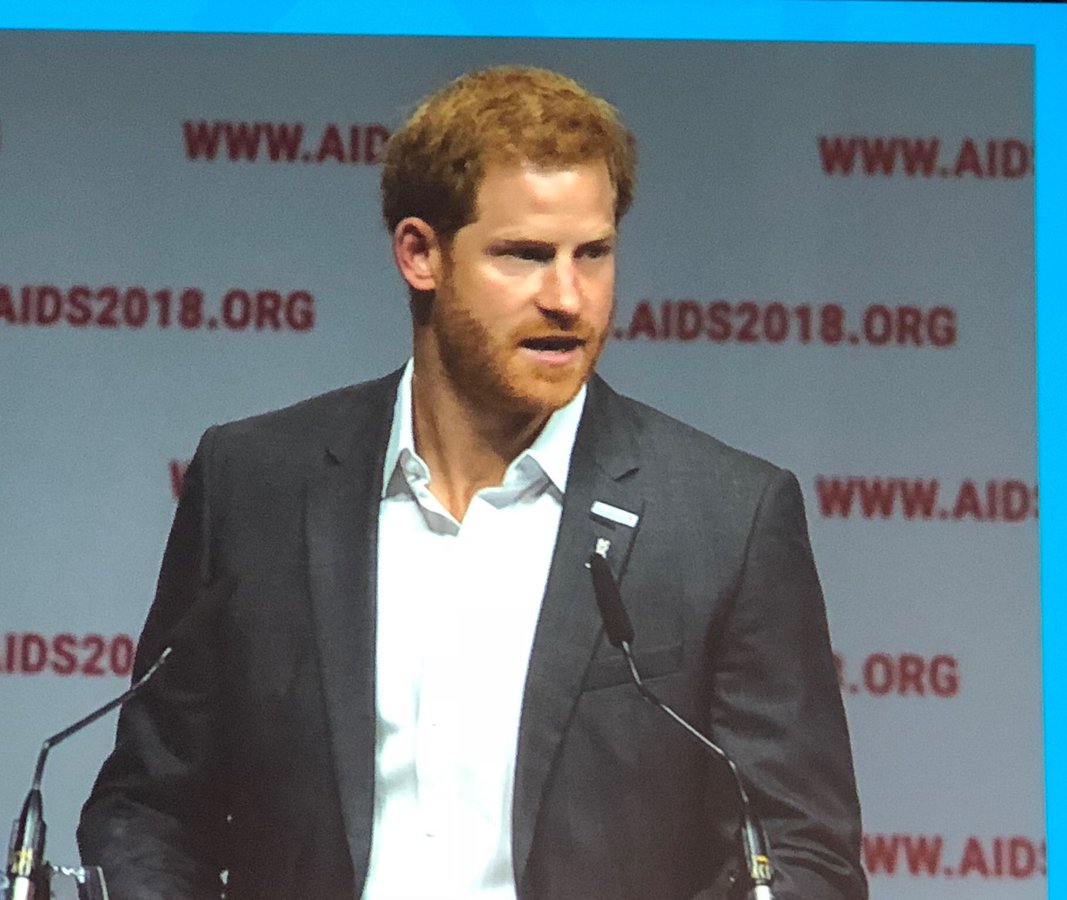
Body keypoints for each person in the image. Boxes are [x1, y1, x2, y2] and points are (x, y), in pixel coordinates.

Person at [78, 66, 867, 900]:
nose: (569, 297)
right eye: (525, 256)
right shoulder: (257, 485)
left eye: (593, 254)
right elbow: (149, 810)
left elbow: (800, 850)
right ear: (420, 254)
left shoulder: (722, 518)